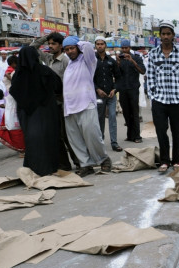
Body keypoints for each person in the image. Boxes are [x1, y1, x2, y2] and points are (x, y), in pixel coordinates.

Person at [61, 36, 111, 176]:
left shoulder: (88, 61)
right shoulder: (69, 65)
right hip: (70, 107)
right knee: (75, 140)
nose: (70, 51)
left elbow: (88, 46)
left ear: (78, 47)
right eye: (67, 49)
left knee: (92, 135)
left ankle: (104, 160)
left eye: (72, 48)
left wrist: (76, 41)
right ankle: (85, 164)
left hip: (86, 104)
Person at [11, 46, 63, 176]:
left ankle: (34, 167)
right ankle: (51, 167)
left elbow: (14, 91)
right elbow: (58, 85)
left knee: (32, 140)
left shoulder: (18, 75)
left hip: (27, 114)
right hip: (46, 111)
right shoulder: (44, 71)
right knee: (48, 137)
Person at [31, 31, 80, 171]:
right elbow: (32, 48)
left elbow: (70, 82)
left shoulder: (65, 60)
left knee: (68, 135)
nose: (50, 46)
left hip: (65, 103)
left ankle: (79, 162)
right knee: (57, 136)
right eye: (49, 44)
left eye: (53, 43)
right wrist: (45, 37)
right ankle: (64, 165)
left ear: (61, 45)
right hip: (53, 104)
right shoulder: (49, 59)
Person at [146, 21, 179, 172]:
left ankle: (176, 160)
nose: (165, 36)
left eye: (168, 34)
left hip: (177, 100)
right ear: (159, 36)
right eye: (163, 34)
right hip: (159, 100)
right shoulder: (153, 54)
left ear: (173, 36)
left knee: (176, 131)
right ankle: (164, 161)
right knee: (161, 130)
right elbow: (150, 76)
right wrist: (152, 94)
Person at [93, 36, 122, 152]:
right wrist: (97, 89)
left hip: (111, 95)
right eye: (98, 44)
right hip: (98, 95)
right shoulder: (92, 61)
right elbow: (89, 79)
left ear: (105, 45)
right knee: (99, 119)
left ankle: (114, 143)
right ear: (95, 46)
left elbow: (119, 78)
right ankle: (100, 143)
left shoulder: (112, 61)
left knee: (113, 118)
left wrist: (115, 90)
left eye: (102, 44)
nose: (100, 46)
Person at [116, 39, 146, 144]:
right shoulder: (119, 58)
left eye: (126, 48)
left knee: (135, 112)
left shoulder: (136, 58)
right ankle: (129, 135)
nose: (124, 50)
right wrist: (118, 63)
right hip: (123, 89)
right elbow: (117, 75)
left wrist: (132, 61)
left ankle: (137, 136)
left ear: (130, 48)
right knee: (126, 113)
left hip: (133, 89)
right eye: (123, 48)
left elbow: (142, 71)